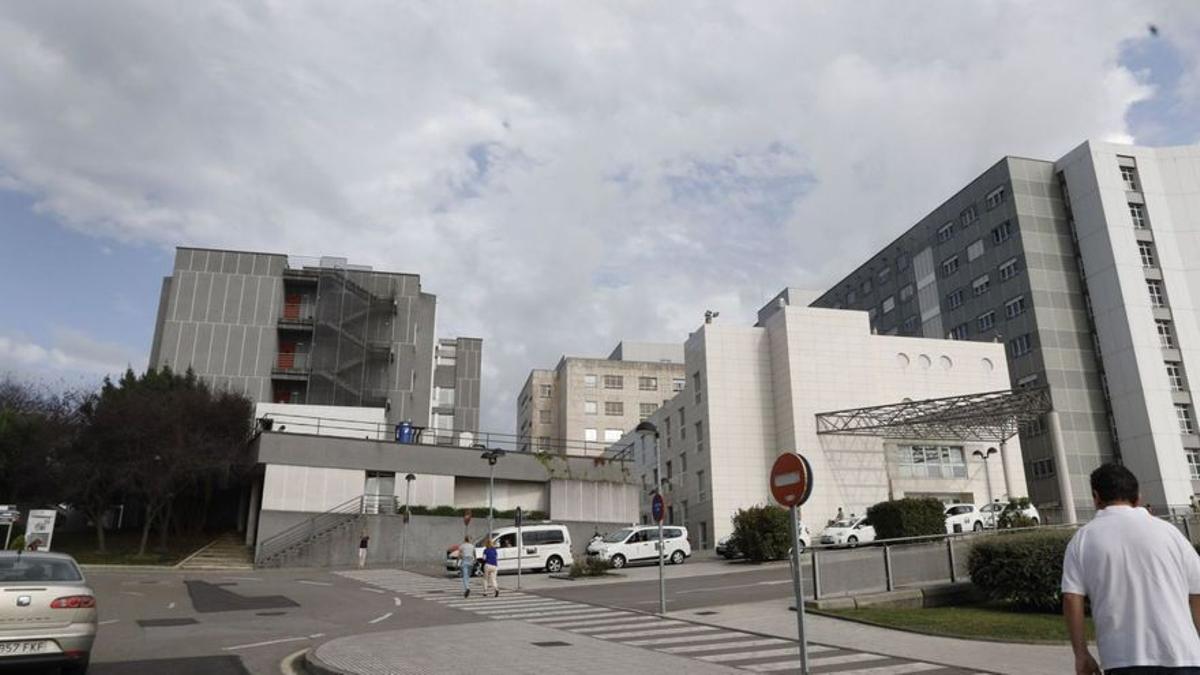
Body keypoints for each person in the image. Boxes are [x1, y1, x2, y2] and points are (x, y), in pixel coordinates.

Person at [1061, 463, 1200, 674]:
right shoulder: (1171, 534)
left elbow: (1072, 598)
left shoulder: (1083, 539)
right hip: (1184, 655)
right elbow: (1197, 595)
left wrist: (1081, 654)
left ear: (1096, 497)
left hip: (1123, 659)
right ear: (1138, 498)